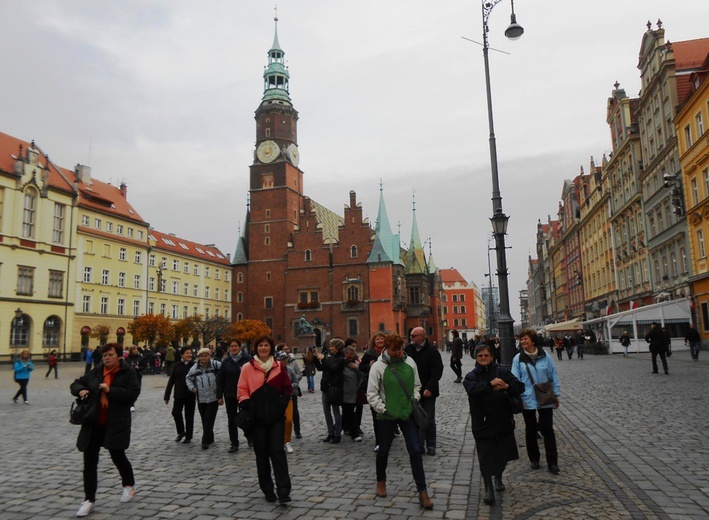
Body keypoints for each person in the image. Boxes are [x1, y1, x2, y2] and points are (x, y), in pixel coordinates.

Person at [70, 343, 140, 517]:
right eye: (104, 355)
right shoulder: (97, 371)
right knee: (89, 462)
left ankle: (129, 485)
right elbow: (77, 383)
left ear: (119, 356)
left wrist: (111, 391)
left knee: (118, 455)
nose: (106, 358)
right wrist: (80, 390)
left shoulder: (127, 372)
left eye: (110, 355)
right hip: (93, 422)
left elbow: (132, 394)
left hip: (116, 421)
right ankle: (89, 499)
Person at [366, 333, 433, 509]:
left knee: (416, 450)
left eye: (400, 349)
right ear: (386, 349)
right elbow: (371, 393)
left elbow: (417, 385)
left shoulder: (410, 363)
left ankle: (422, 491)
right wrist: (384, 409)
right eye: (394, 350)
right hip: (386, 416)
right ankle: (381, 481)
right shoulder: (378, 367)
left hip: (407, 413)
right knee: (383, 450)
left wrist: (414, 399)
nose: (398, 353)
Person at [463, 343, 524, 505]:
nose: (483, 358)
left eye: (486, 356)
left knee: (503, 455)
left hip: (503, 422)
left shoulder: (502, 372)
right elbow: (472, 390)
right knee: (486, 457)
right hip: (482, 424)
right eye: (480, 356)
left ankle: (498, 476)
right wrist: (490, 385)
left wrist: (507, 386)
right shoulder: (471, 376)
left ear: (492, 357)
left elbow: (520, 387)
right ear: (476, 358)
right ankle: (489, 488)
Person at [237, 335, 292, 504]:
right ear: (256, 348)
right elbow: (242, 389)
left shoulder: (278, 367)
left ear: (271, 348)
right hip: (257, 419)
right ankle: (267, 489)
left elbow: (287, 388)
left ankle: (283, 491)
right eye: (260, 345)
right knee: (261, 455)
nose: (263, 348)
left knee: (277, 452)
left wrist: (281, 404)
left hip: (276, 418)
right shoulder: (247, 367)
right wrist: (248, 404)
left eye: (266, 345)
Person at [511, 328, 561, 475]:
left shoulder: (546, 357)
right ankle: (534, 459)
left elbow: (553, 376)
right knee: (531, 429)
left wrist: (556, 394)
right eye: (521, 339)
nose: (523, 341)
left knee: (547, 429)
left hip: (545, 397)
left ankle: (553, 462)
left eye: (525, 339)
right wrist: (519, 396)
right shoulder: (518, 359)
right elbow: (515, 379)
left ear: (532, 340)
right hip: (527, 399)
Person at [405, 326, 443, 456]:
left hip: (428, 391)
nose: (411, 338)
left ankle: (431, 444)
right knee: (415, 419)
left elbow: (437, 371)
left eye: (413, 336)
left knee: (429, 419)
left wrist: (429, 388)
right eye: (411, 336)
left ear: (422, 336)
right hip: (412, 391)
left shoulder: (432, 351)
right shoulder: (407, 350)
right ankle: (419, 445)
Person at [217, 339, 251, 453]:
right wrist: (219, 396)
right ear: (229, 348)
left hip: (245, 394)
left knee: (246, 417)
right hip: (230, 394)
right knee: (231, 420)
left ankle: (250, 437)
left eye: (236, 346)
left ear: (240, 347)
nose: (234, 348)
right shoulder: (226, 362)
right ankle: (234, 443)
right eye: (232, 346)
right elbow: (220, 379)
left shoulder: (248, 360)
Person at [186, 348, 222, 449]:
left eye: (205, 355)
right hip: (201, 398)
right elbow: (188, 378)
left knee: (209, 418)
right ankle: (210, 436)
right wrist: (193, 388)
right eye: (201, 356)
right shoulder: (195, 368)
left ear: (209, 356)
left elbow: (223, 375)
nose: (203, 358)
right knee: (204, 419)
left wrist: (220, 389)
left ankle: (205, 440)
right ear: (198, 357)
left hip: (213, 398)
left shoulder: (216, 365)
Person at [314, 338, 346, 443]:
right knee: (326, 412)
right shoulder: (331, 358)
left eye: (332, 346)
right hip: (326, 387)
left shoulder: (341, 359)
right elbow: (321, 368)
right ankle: (330, 432)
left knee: (336, 411)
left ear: (337, 347)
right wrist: (315, 358)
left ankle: (337, 434)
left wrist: (323, 359)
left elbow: (332, 369)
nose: (330, 348)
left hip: (335, 388)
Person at [164, 346, 196, 444]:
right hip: (178, 394)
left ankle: (189, 436)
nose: (189, 355)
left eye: (190, 353)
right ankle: (181, 432)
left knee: (189, 416)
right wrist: (167, 395)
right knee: (175, 413)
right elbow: (171, 381)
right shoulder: (177, 365)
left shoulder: (195, 365)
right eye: (187, 353)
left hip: (190, 394)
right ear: (182, 355)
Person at [361, 331, 386, 451]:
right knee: (376, 414)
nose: (380, 341)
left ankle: (387, 437)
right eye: (378, 339)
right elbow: (361, 368)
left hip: (387, 387)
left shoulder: (389, 352)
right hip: (374, 386)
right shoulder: (369, 353)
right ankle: (379, 441)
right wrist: (369, 366)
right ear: (374, 341)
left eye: (382, 339)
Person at [341, 345, 364, 442]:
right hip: (345, 392)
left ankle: (336, 429)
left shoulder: (356, 363)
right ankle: (354, 433)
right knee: (349, 413)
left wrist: (356, 368)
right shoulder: (342, 363)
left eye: (352, 354)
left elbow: (362, 376)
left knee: (347, 413)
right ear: (345, 354)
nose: (351, 356)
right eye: (349, 354)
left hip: (355, 392)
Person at [125, 346, 145, 412]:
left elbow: (144, 366)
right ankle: (131, 404)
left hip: (138, 375)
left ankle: (132, 401)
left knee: (138, 391)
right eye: (134, 349)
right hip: (129, 376)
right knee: (131, 390)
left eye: (136, 349)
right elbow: (125, 366)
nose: (135, 350)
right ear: (131, 350)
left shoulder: (140, 358)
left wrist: (139, 368)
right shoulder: (127, 358)